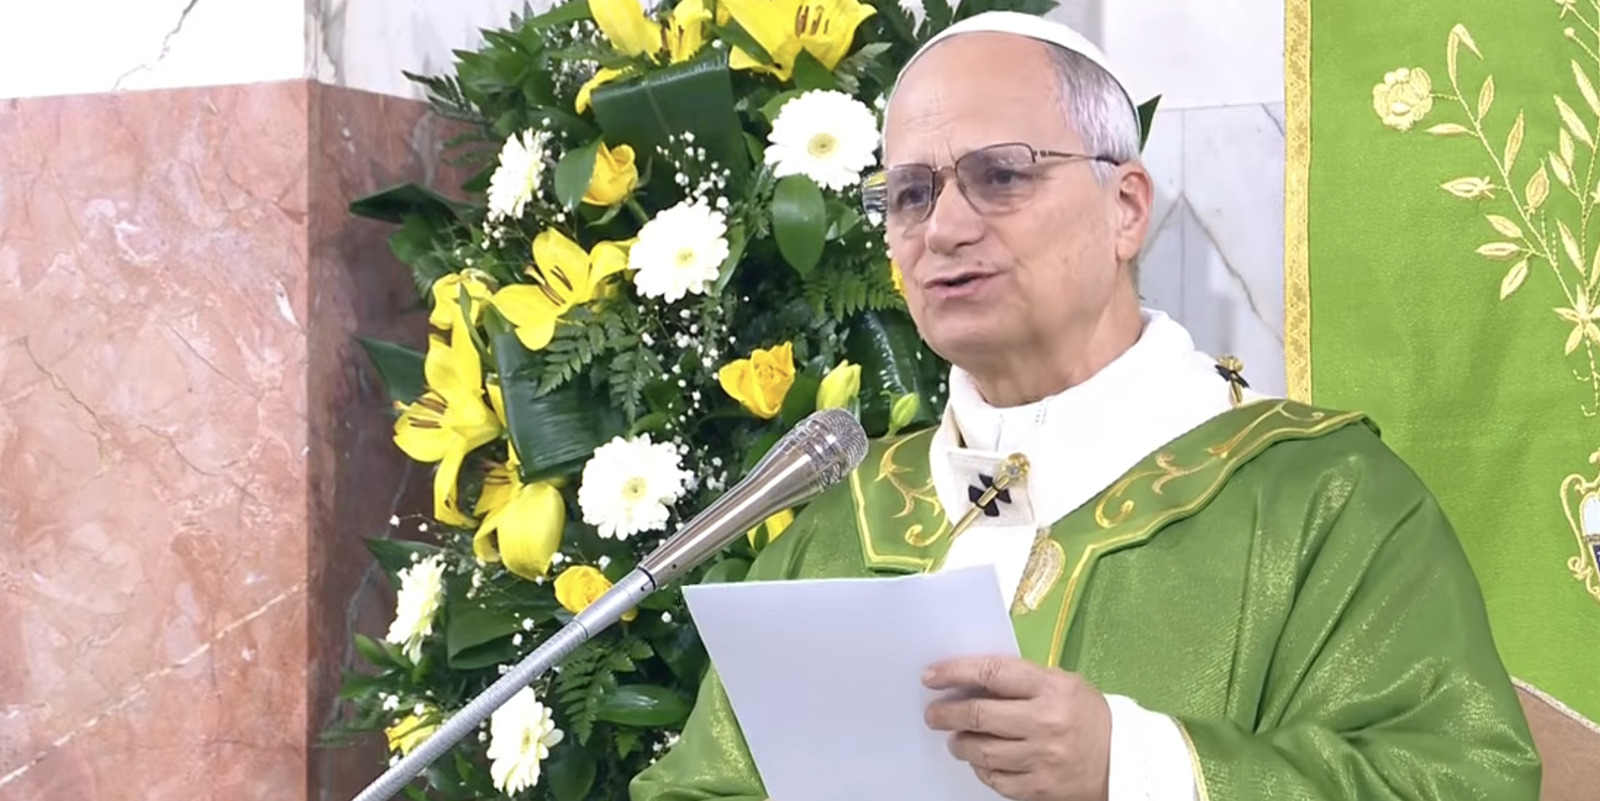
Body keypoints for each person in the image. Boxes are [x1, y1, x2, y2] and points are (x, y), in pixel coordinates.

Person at [629, 11, 1542, 801]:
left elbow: (1463, 778)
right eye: (911, 193)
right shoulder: (838, 528)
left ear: (1127, 208)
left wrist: (1134, 766)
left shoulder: (1323, 499)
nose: (944, 227)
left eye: (1002, 174)